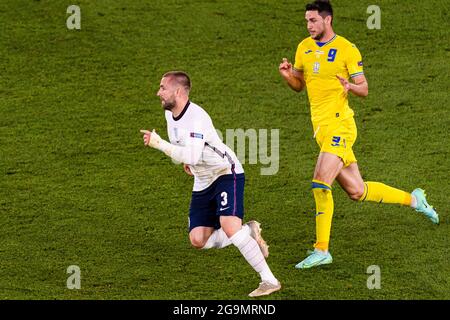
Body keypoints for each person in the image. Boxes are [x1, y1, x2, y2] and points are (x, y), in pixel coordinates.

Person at [278, 0, 439, 269]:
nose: (308, 25)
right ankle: (415, 200)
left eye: (313, 21)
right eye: (307, 21)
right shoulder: (303, 48)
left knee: (320, 182)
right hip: (322, 130)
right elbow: (299, 85)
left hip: (341, 126)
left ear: (327, 20)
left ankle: (322, 250)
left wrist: (350, 87)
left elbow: (364, 88)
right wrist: (287, 75)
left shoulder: (347, 49)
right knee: (357, 191)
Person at [140, 71, 281, 297]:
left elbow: (193, 155)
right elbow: (190, 153)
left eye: (162, 88)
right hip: (203, 179)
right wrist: (189, 163)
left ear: (178, 92)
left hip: (226, 172)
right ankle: (249, 231)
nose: (158, 92)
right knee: (198, 240)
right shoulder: (170, 115)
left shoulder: (197, 117)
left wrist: (159, 145)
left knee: (229, 227)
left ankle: (269, 280)